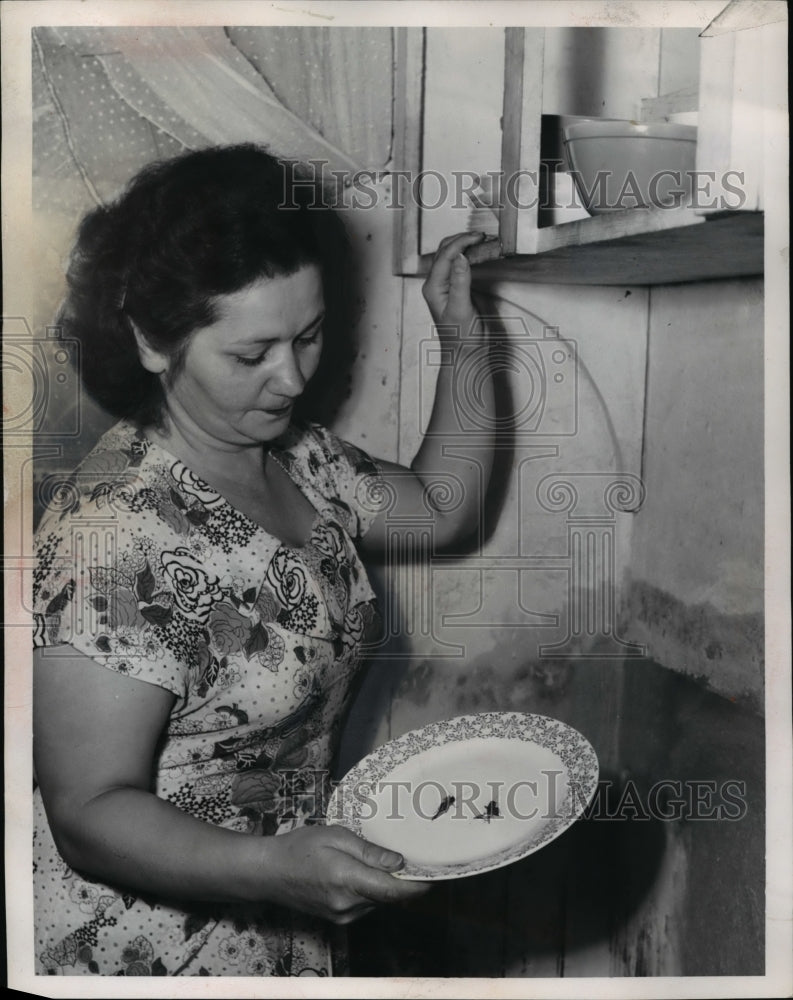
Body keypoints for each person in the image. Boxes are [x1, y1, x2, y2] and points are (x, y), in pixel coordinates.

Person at [32, 144, 495, 976]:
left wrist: (462, 341)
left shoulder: (296, 457)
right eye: (251, 356)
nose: (290, 380)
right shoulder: (111, 533)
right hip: (146, 952)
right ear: (148, 341)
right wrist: (272, 869)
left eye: (309, 337)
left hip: (289, 918)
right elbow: (88, 812)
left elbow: (440, 511)